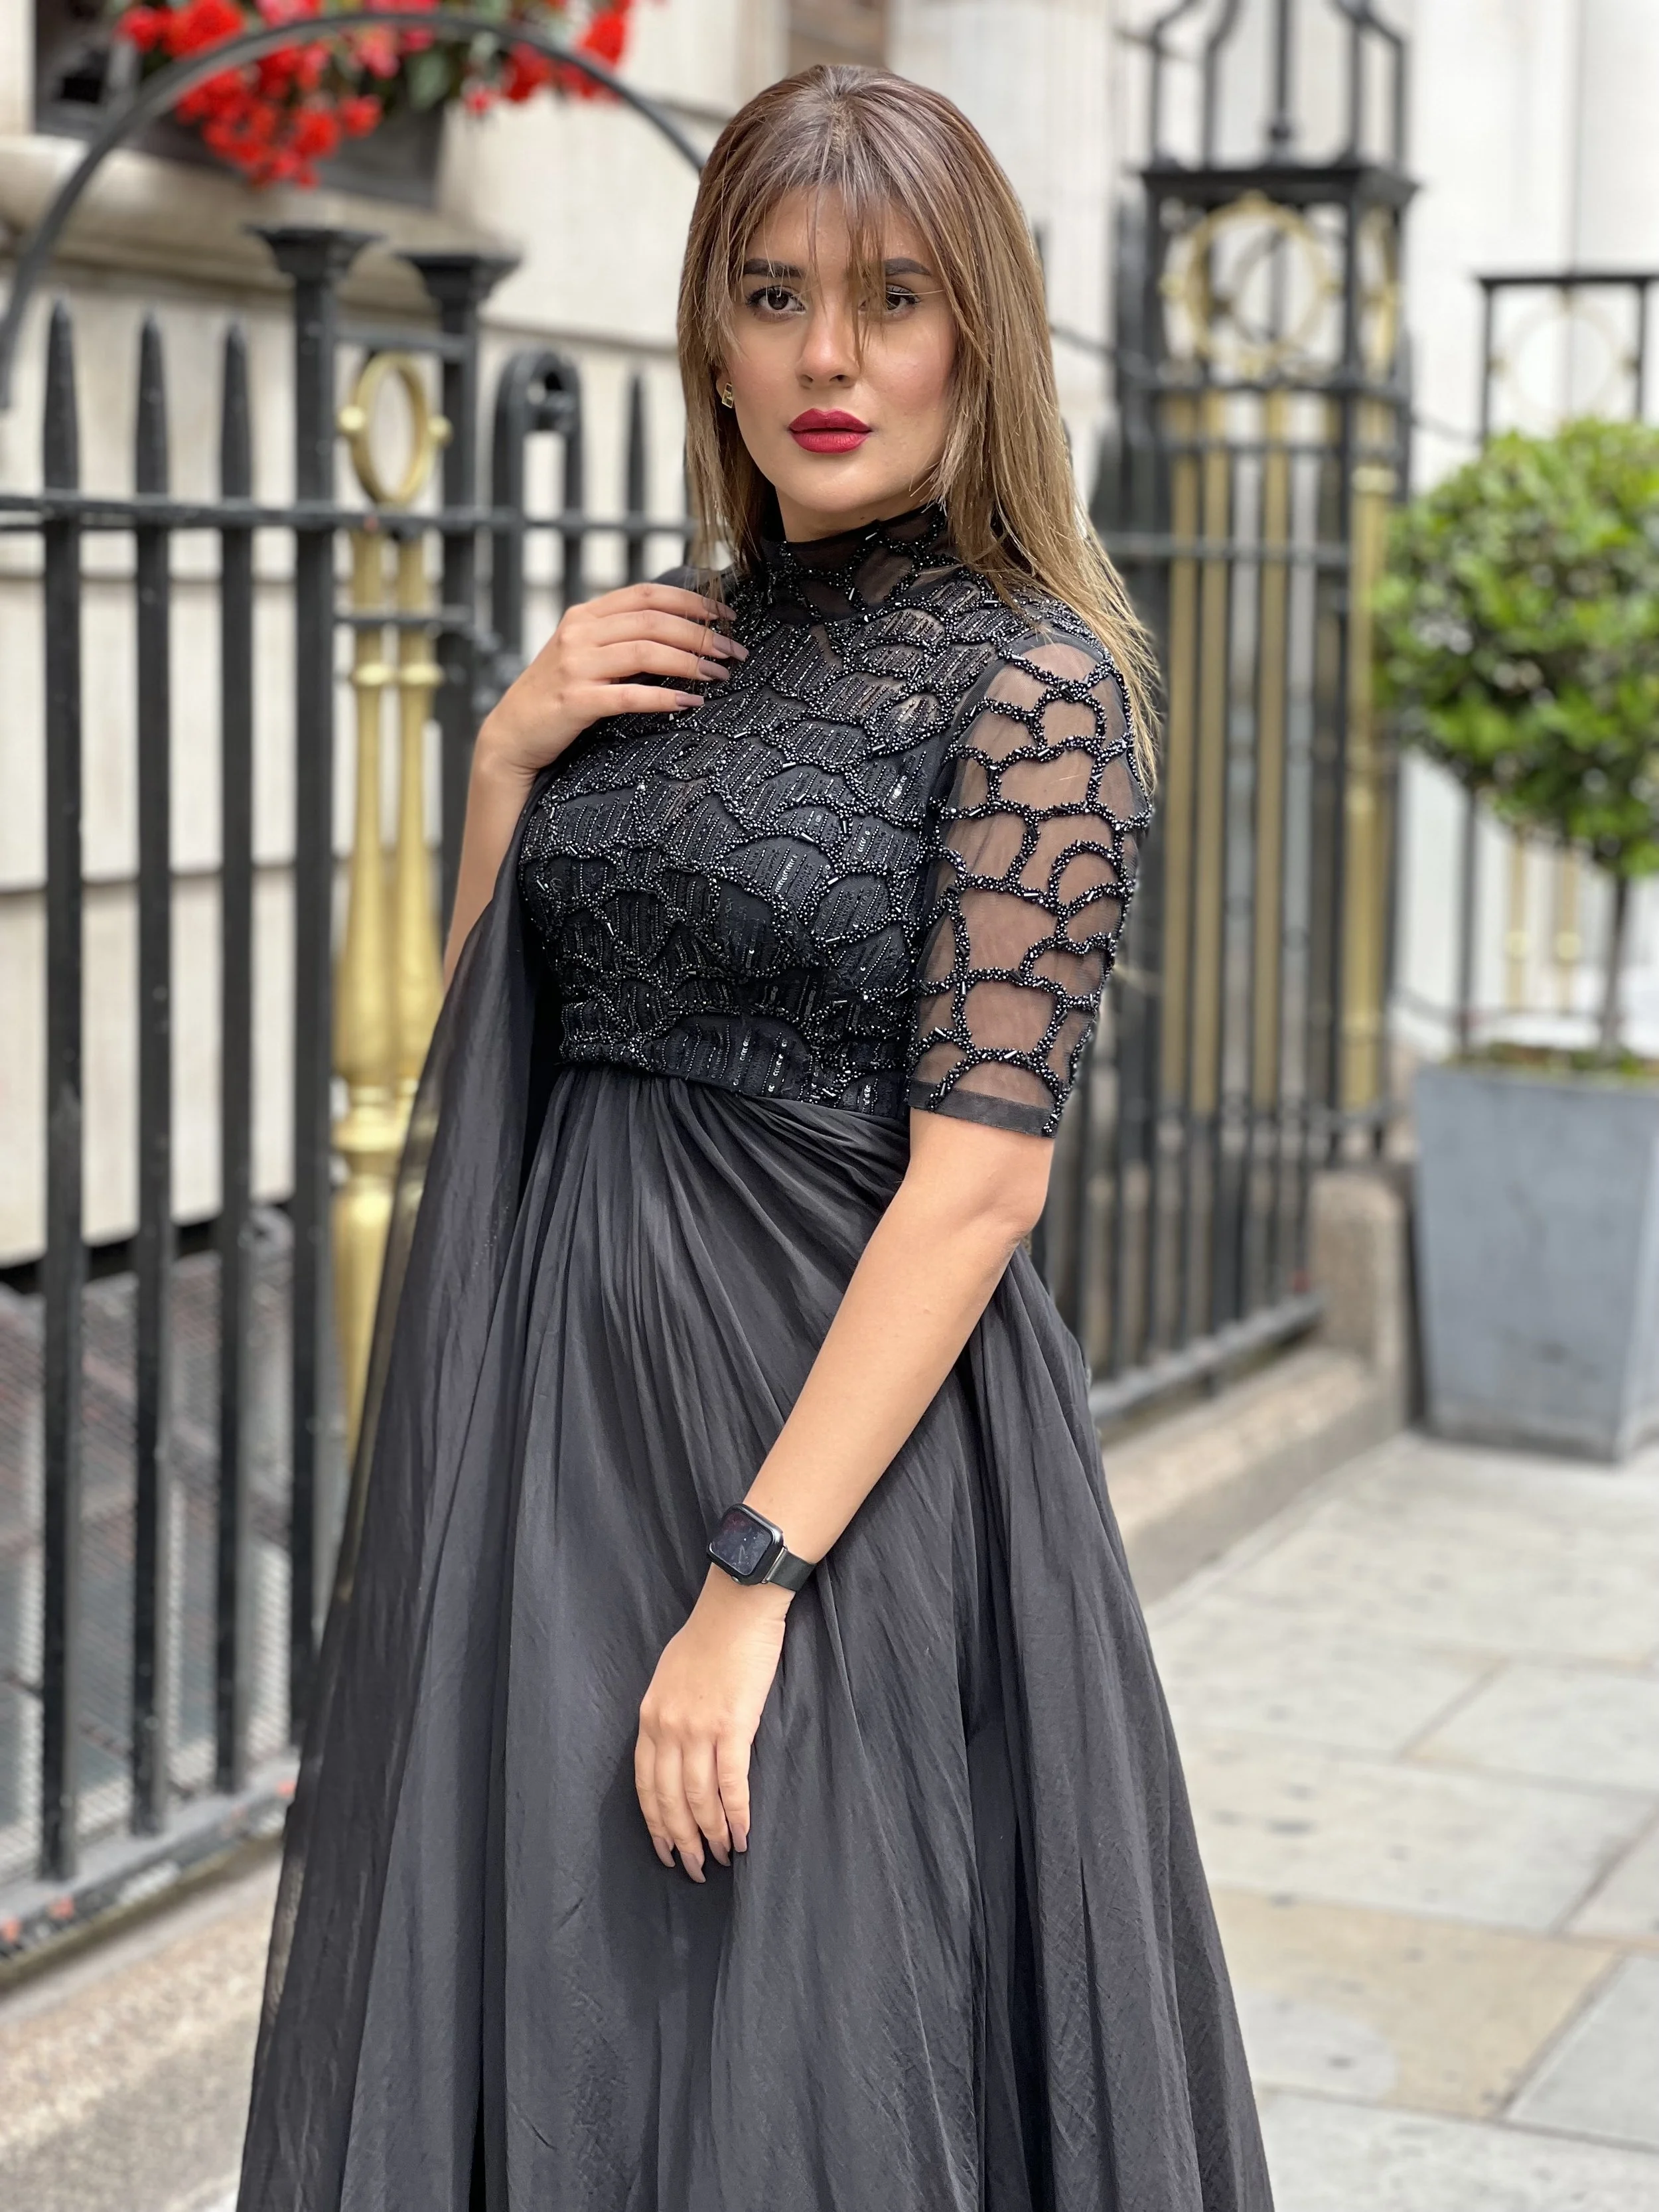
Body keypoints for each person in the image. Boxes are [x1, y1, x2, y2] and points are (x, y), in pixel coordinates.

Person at [236, 61, 1273, 2212]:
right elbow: (483, 1039)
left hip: (821, 1472)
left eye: (891, 299)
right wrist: (513, 749)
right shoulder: (660, 646)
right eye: (776, 293)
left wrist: (751, 1577)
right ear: (707, 329)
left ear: (973, 329)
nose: (828, 357)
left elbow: (981, 1174)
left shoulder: (1032, 686)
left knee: (797, 2054)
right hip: (562, 1438)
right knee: (572, 2031)